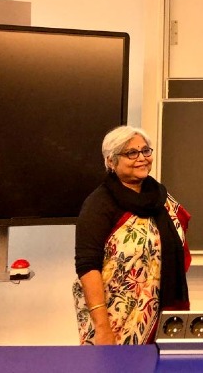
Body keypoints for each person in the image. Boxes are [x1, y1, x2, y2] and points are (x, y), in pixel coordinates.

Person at [72, 125, 191, 345]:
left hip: (163, 315)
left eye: (145, 151)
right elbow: (87, 266)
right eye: (131, 153)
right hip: (113, 321)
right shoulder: (99, 205)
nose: (142, 158)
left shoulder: (160, 198)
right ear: (111, 161)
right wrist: (102, 327)